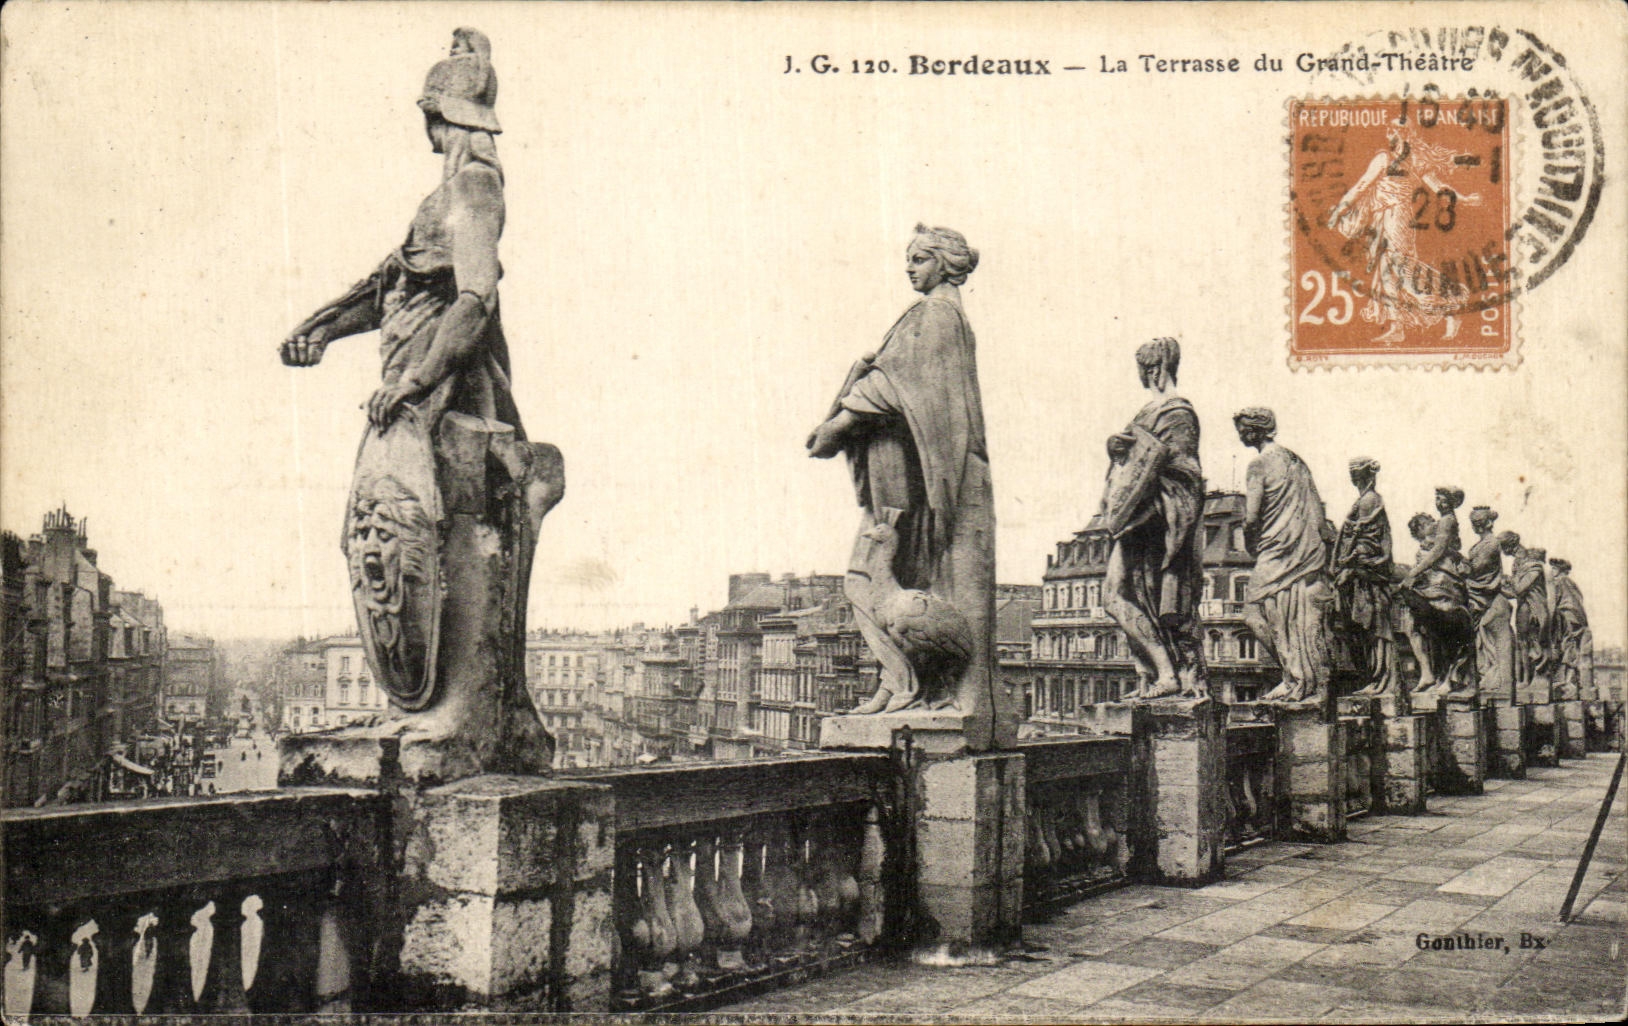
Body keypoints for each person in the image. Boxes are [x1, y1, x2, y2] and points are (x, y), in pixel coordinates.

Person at [282, 27, 521, 440]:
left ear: (437, 114)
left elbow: (476, 298)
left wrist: (413, 383)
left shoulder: (475, 183)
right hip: (404, 392)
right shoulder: (444, 197)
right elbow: (395, 289)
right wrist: (321, 330)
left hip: (437, 397)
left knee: (401, 501)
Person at [806, 226, 998, 739]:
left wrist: (838, 424)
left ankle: (905, 685)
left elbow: (898, 383)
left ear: (944, 262)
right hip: (913, 469)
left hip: (911, 480)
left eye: (918, 259)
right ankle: (900, 685)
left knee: (864, 579)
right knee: (877, 584)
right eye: (908, 259)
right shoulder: (945, 317)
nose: (909, 268)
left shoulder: (936, 315)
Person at [1099, 338, 1206, 699]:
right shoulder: (1149, 411)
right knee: (1119, 596)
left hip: (1156, 522)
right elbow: (1132, 462)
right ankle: (1151, 672)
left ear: (1155, 368)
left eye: (1144, 368)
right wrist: (1116, 448)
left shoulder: (1178, 413)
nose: (1143, 375)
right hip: (1136, 521)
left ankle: (1167, 673)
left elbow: (1187, 474)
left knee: (1117, 596)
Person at [1326, 123, 1483, 345]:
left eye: (1393, 131)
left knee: (1403, 269)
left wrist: (1463, 198)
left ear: (1405, 133)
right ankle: (1397, 326)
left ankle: (1451, 303)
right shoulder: (1383, 158)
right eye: (1389, 131)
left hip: (1399, 218)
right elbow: (1361, 186)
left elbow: (1438, 187)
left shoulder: (1414, 159)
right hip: (1382, 218)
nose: (1388, 134)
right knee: (1387, 271)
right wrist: (1341, 208)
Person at [1233, 408, 1333, 703]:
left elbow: (1251, 518)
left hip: (1275, 548)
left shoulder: (1258, 465)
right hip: (1304, 550)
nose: (1240, 434)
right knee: (1290, 613)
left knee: (1254, 613)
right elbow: (1318, 513)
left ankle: (1293, 675)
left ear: (1255, 430)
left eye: (1242, 428)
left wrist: (1252, 544)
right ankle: (1300, 677)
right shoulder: (1297, 462)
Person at [1333, 457, 1398, 694]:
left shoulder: (1369, 500)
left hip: (1368, 578)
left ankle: (1382, 680)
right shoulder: (1365, 499)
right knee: (1367, 631)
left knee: (1375, 630)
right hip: (1362, 577)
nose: (1352, 477)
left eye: (1355, 473)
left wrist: (1349, 565)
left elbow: (1367, 542)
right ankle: (1376, 678)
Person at [1399, 493, 1474, 696]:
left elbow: (1442, 551)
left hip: (1444, 584)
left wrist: (1413, 574)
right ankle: (1429, 673)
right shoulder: (1429, 542)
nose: (1432, 521)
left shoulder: (1446, 524)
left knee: (1446, 628)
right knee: (1417, 625)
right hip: (1432, 584)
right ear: (1420, 531)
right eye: (1427, 522)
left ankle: (1447, 676)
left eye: (1431, 520)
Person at [1466, 506, 1515, 704]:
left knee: (1494, 644)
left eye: (1479, 521)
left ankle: (1500, 685)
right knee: (1483, 643)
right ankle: (1489, 680)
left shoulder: (1492, 543)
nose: (1476, 525)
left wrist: (1460, 566)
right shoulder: (1478, 545)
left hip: (1489, 600)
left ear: (1488, 522)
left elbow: (1478, 568)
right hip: (1480, 600)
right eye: (1473, 522)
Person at [1499, 532, 1549, 693]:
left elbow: (1519, 589)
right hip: (1523, 608)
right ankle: (1525, 679)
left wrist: (1504, 582)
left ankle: (1536, 677)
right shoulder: (1517, 563)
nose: (1501, 551)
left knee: (1533, 642)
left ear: (1509, 546)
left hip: (1534, 609)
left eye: (1502, 547)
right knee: (1522, 644)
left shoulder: (1532, 564)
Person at [1547, 558, 1593, 700]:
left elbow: (1552, 605)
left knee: (1567, 650)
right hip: (1579, 621)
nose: (1551, 571)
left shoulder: (1558, 583)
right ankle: (1575, 684)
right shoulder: (1572, 584)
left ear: (1560, 570)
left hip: (1567, 619)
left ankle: (1568, 684)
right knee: (1576, 651)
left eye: (1554, 569)